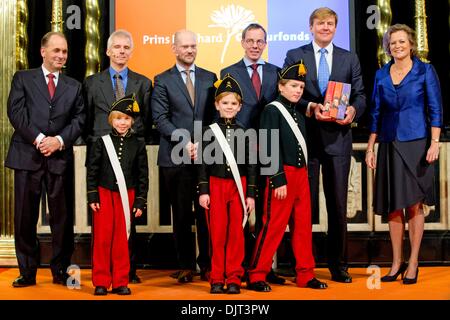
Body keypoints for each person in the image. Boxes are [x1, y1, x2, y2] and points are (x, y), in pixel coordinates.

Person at [283, 7, 366, 283]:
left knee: (338, 206)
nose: (325, 28)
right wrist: (309, 107)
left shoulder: (349, 57)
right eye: (320, 24)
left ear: (335, 27)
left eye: (330, 24)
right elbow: (286, 92)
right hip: (305, 140)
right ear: (311, 27)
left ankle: (338, 265)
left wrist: (353, 110)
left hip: (338, 141)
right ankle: (301, 264)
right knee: (300, 207)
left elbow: (361, 95)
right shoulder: (295, 56)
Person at [5, 31, 85, 287]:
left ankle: (60, 270)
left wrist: (59, 141)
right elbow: (15, 113)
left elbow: (80, 119)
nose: (61, 55)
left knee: (62, 219)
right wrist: (40, 140)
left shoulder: (74, 86)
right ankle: (27, 271)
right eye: (56, 51)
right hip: (27, 156)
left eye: (64, 52)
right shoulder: (23, 78)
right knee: (24, 217)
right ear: (43, 51)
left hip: (59, 159)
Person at [365, 24, 442, 285]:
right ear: (388, 47)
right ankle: (396, 261)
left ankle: (413, 262)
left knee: (413, 205)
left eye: (401, 42)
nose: (397, 46)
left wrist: (435, 142)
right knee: (393, 207)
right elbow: (375, 112)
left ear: (410, 44)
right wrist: (370, 146)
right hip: (389, 143)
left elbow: (436, 108)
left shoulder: (425, 71)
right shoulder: (381, 74)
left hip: (417, 143)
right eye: (392, 43)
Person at [247, 61, 328, 292]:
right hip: (282, 175)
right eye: (293, 86)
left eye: (301, 88)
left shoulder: (297, 112)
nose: (298, 91)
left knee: (303, 227)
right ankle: (256, 274)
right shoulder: (272, 110)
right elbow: (268, 145)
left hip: (301, 175)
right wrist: (277, 177)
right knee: (272, 226)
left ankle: (305, 274)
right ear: (281, 87)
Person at [83, 29, 152, 284]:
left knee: (127, 221)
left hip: (131, 157)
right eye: (117, 47)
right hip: (102, 159)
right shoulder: (91, 83)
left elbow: (146, 120)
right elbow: (87, 119)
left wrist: (133, 141)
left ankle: (126, 272)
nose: (122, 51)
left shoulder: (143, 83)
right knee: (103, 227)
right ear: (108, 51)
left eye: (126, 48)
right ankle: (102, 276)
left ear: (131, 52)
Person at [220, 23, 285, 285]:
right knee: (241, 212)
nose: (255, 45)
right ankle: (239, 267)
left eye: (260, 41)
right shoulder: (228, 72)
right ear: (243, 42)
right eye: (251, 40)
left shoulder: (276, 72)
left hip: (269, 147)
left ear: (265, 44)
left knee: (268, 211)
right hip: (240, 150)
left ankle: (264, 267)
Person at [151, 30, 217, 283]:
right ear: (174, 49)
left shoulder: (210, 77)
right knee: (180, 214)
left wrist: (202, 142)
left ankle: (208, 265)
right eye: (185, 46)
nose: (190, 50)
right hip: (175, 157)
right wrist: (185, 141)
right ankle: (186, 266)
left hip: (205, 155)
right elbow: (160, 118)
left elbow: (215, 116)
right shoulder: (162, 80)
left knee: (206, 214)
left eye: (193, 46)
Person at [198, 74, 257, 294]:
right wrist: (204, 191)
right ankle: (216, 278)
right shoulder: (207, 132)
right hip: (215, 186)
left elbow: (251, 165)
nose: (229, 107)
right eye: (225, 103)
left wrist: (250, 194)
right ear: (216, 104)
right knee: (218, 233)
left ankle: (233, 277)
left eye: (234, 103)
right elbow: (202, 164)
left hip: (239, 187)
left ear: (240, 106)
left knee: (236, 234)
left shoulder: (245, 133)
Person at [87, 95, 149, 295]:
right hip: (104, 193)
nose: (123, 123)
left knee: (123, 238)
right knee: (103, 239)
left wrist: (140, 200)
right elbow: (93, 172)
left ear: (132, 121)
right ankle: (101, 282)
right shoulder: (101, 142)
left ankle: (121, 280)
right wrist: (93, 196)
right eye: (119, 118)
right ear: (111, 119)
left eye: (127, 119)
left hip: (127, 195)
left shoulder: (138, 144)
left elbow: (142, 175)